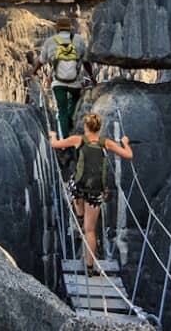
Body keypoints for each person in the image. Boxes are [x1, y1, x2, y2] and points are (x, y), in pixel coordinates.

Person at [49, 113, 132, 275]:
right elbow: (129, 155)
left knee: (71, 186)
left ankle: (79, 214)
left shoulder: (78, 139)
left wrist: (53, 135)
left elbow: (55, 145)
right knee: (90, 231)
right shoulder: (105, 143)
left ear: (86, 127)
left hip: (79, 187)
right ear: (99, 128)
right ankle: (89, 267)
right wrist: (125, 143)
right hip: (96, 191)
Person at [26, 16, 94, 139]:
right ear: (69, 28)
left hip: (58, 83)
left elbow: (41, 61)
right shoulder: (78, 40)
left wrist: (33, 72)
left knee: (61, 111)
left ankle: (66, 140)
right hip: (75, 83)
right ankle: (71, 127)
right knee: (73, 108)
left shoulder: (50, 42)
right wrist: (92, 77)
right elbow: (85, 61)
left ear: (57, 28)